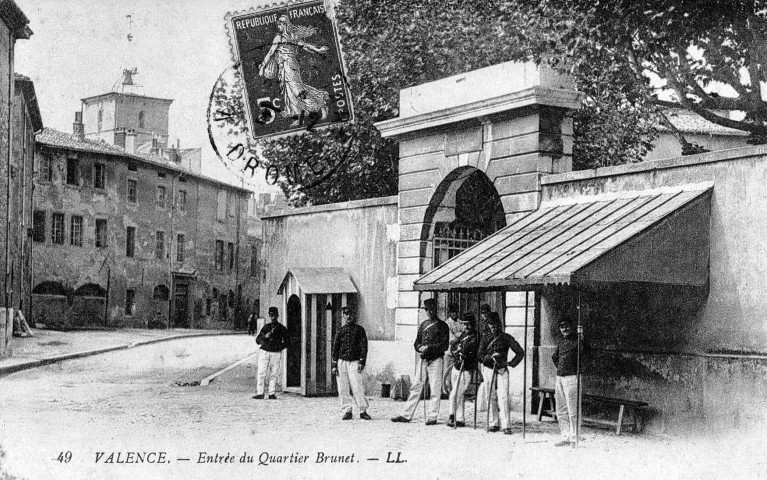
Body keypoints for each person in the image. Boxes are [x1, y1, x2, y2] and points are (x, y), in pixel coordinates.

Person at [258, 15, 330, 127]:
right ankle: (299, 115)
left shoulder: (281, 37)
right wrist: (317, 49)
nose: (279, 26)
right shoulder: (292, 36)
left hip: (288, 66)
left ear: (286, 24)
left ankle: (320, 105)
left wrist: (262, 66)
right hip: (287, 66)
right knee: (290, 92)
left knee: (296, 90)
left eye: (280, 24)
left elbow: (271, 53)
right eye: (278, 24)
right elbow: (306, 46)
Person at [391, 298, 450, 425]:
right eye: (427, 310)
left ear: (436, 309)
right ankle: (406, 415)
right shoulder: (423, 325)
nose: (430, 312)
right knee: (416, 387)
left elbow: (444, 345)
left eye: (432, 309)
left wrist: (429, 348)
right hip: (423, 360)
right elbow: (416, 342)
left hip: (436, 360)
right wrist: (420, 348)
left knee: (435, 389)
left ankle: (432, 416)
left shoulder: (443, 326)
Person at [478, 312, 524, 434]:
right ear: (488, 325)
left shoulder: (506, 338)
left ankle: (506, 425)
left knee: (503, 397)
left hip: (502, 370)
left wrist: (510, 363)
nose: (493, 327)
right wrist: (488, 357)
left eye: (495, 324)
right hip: (488, 369)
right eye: (490, 324)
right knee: (490, 395)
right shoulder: (485, 338)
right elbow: (479, 355)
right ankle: (494, 423)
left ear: (500, 325)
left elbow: (520, 352)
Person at [552, 318, 588, 446]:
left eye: (567, 326)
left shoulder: (578, 341)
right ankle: (565, 436)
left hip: (572, 377)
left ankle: (574, 438)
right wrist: (561, 368)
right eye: (562, 327)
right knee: (561, 409)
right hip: (560, 377)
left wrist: (582, 337)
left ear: (571, 327)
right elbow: (555, 357)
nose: (565, 329)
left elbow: (586, 353)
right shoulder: (561, 342)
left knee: (573, 409)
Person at [331, 306, 371, 420]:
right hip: (342, 362)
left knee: (357, 386)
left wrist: (361, 361)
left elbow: (364, 347)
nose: (349, 316)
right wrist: (334, 365)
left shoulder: (359, 330)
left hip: (354, 361)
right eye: (346, 314)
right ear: (343, 316)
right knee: (343, 387)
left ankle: (363, 410)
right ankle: (347, 410)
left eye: (351, 314)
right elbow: (335, 348)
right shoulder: (341, 330)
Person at [447, 313, 478, 428]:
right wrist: (457, 350)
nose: (466, 326)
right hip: (457, 366)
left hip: (466, 369)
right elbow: (455, 347)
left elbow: (473, 352)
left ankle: (452, 416)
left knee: (455, 394)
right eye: (464, 324)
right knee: (459, 394)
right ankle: (460, 418)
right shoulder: (464, 334)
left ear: (472, 324)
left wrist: (464, 353)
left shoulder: (475, 336)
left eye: (468, 324)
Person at [253, 306, 288, 400]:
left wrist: (279, 347)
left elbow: (287, 342)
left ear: (277, 316)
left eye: (274, 315)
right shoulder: (266, 327)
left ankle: (272, 393)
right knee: (261, 373)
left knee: (274, 373)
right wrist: (265, 337)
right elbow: (257, 340)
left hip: (276, 353)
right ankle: (260, 392)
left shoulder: (281, 328)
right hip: (264, 351)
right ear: (269, 315)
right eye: (271, 315)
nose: (273, 317)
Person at [443, 303, 465, 391]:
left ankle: (454, 390)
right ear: (449, 313)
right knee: (447, 371)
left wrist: (457, 335)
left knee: (456, 371)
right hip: (448, 351)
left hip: (458, 351)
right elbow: (451, 340)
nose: (455, 314)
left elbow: (464, 335)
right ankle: (446, 390)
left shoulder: (460, 322)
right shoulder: (447, 323)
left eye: (456, 312)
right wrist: (459, 336)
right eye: (453, 312)